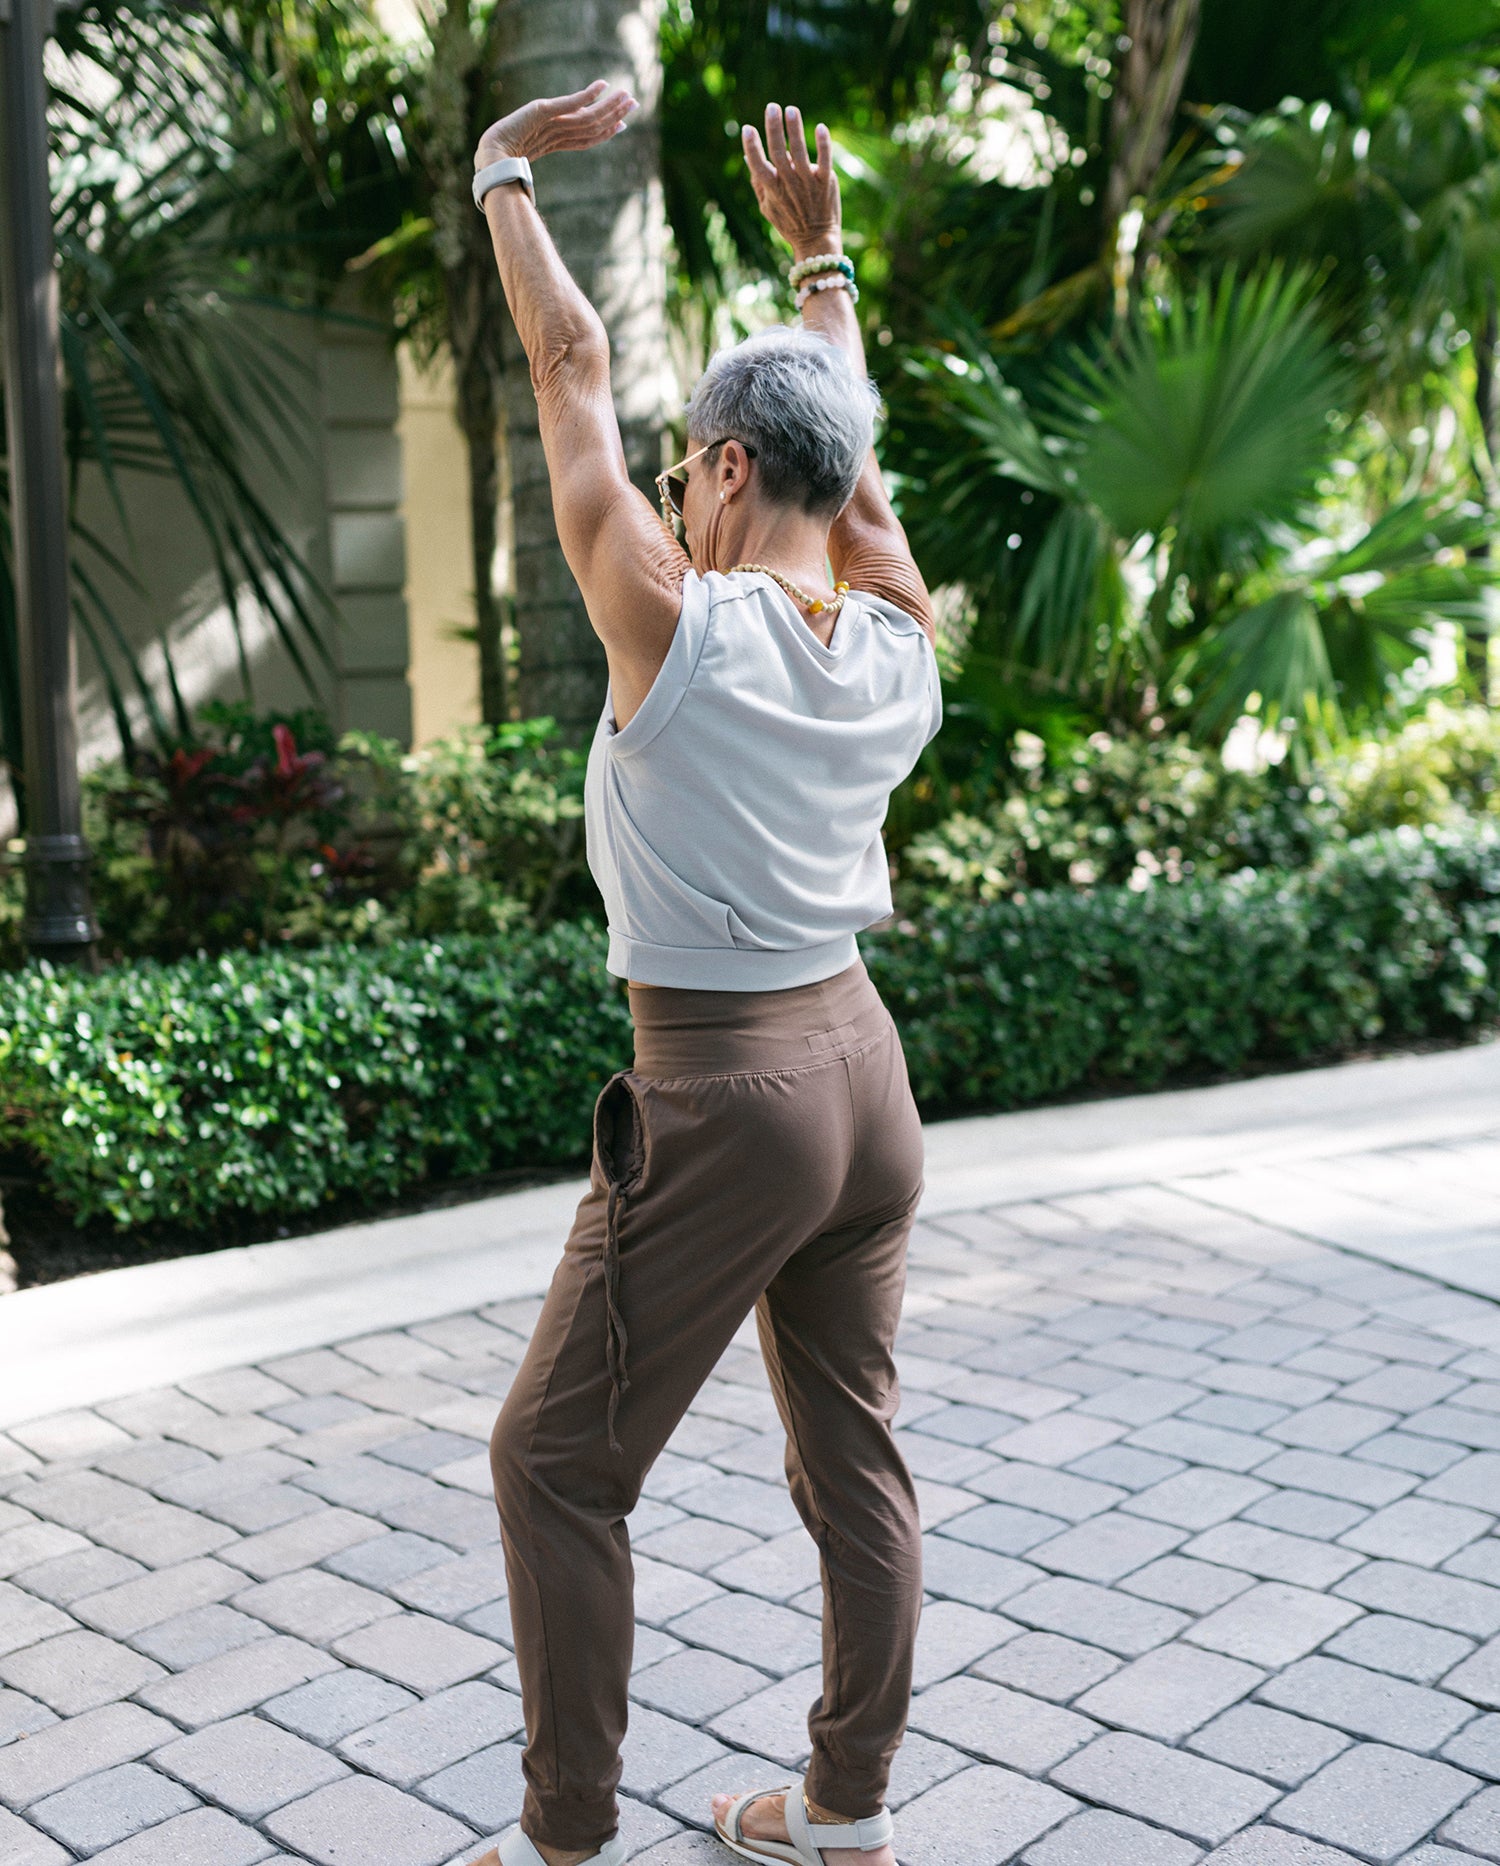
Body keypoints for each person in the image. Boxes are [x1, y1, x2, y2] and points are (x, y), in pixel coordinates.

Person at [466, 79, 942, 1866]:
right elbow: (858, 462)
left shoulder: (670, 617)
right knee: (857, 1456)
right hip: (864, 1082)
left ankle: (564, 1838)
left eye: (690, 465)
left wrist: (507, 177)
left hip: (726, 1092)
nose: (667, 484)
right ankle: (842, 1811)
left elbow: (570, 373)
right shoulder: (899, 639)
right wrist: (822, 266)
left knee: (550, 1461)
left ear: (728, 469)